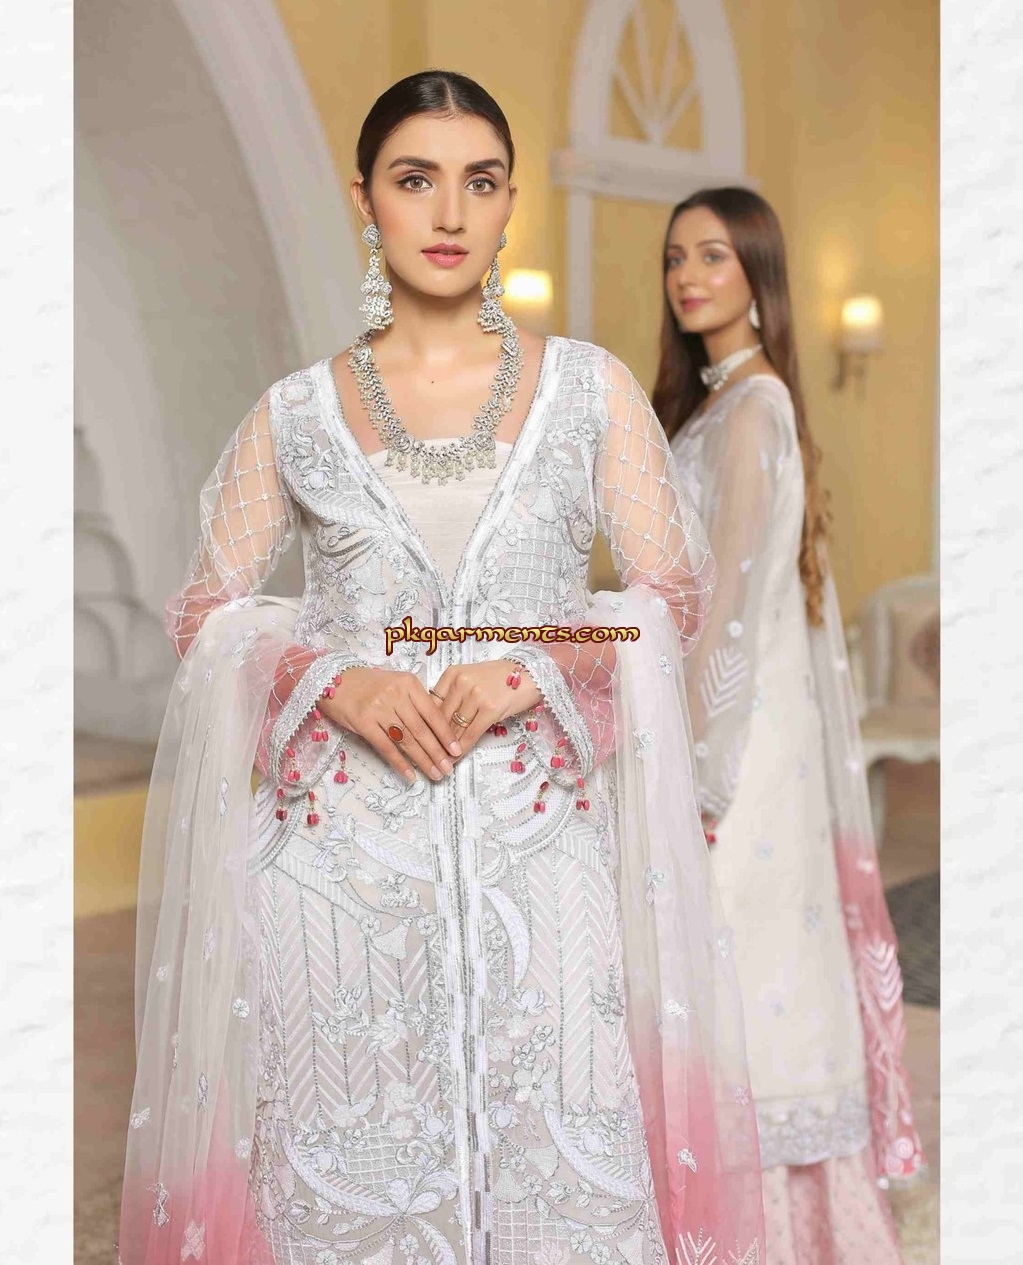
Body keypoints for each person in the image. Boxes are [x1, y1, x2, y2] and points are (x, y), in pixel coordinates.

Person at [118, 74, 765, 1265]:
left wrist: (534, 666)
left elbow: (671, 598)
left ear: (511, 201)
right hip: (336, 871)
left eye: (480, 180)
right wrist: (332, 678)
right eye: (416, 179)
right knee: (354, 1177)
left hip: (542, 854)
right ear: (364, 198)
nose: (450, 211)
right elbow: (205, 609)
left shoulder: (588, 392)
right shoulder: (296, 414)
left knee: (557, 1164)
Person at [654, 186, 926, 1263]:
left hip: (744, 750)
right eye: (675, 257)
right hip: (733, 729)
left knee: (744, 973)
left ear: (758, 277)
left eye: (713, 256)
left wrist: (697, 774)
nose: (687, 276)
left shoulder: (753, 409)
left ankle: (769, 1232)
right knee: (727, 976)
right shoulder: (720, 406)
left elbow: (726, 608)